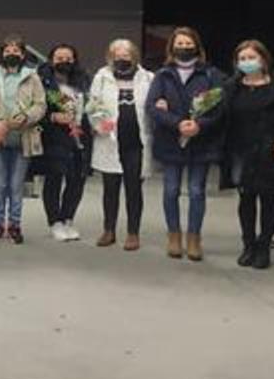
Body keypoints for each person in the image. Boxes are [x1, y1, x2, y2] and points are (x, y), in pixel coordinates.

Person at [220, 40, 274, 270]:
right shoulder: (231, 87)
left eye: (251, 57)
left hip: (270, 150)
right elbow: (220, 115)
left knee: (268, 198)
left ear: (264, 59)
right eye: (242, 59)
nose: (247, 62)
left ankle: (264, 245)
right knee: (245, 198)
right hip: (241, 151)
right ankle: (248, 244)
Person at [147, 26, 226, 261]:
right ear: (172, 47)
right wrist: (177, 123)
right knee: (170, 190)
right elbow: (152, 106)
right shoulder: (162, 75)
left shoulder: (212, 75)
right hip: (171, 141)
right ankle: (174, 236)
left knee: (196, 191)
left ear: (197, 46)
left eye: (188, 43)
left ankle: (194, 238)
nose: (184, 48)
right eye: (179, 44)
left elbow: (220, 107)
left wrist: (199, 124)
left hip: (201, 142)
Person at [0, 35, 46, 244]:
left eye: (16, 51)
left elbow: (40, 105)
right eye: (8, 51)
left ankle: (15, 225)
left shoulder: (33, 77)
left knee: (16, 186)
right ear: (2, 54)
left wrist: (27, 116)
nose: (12, 54)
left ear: (23, 55)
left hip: (23, 139)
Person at [88, 39, 154, 251]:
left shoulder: (148, 78)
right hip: (110, 142)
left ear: (134, 56)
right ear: (110, 56)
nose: (122, 58)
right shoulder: (102, 77)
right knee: (110, 188)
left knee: (134, 189)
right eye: (117, 55)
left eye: (126, 55)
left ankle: (133, 233)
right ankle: (109, 230)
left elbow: (153, 107)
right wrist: (99, 123)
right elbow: (93, 105)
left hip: (136, 143)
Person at [37, 44, 92, 243]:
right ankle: (54, 222)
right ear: (51, 60)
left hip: (81, 137)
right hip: (54, 137)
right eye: (59, 57)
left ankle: (67, 218)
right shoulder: (43, 81)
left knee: (77, 179)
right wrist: (52, 116)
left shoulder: (84, 80)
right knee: (54, 178)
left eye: (68, 58)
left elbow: (94, 105)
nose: (64, 61)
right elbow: (32, 108)